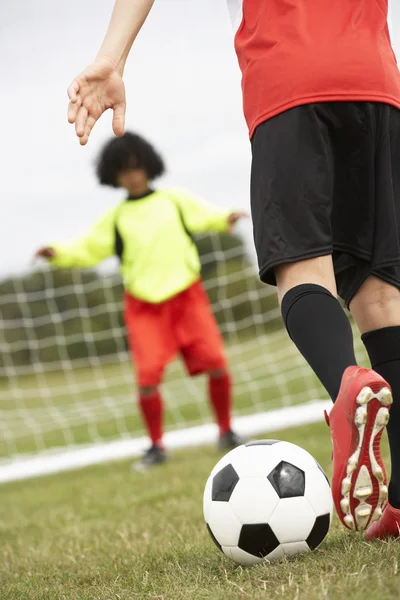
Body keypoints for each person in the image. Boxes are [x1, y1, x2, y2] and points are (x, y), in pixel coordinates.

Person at [64, 0, 400, 538]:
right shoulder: (122, 217)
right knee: (382, 295)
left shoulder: (170, 201)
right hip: (377, 80)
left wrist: (111, 57)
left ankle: (346, 386)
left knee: (304, 270)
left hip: (289, 79)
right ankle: (399, 503)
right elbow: (93, 244)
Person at [36, 131, 247, 470]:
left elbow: (207, 215)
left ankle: (225, 431)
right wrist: (58, 253)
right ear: (114, 175)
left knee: (216, 362)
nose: (132, 174)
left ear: (148, 166)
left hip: (187, 297)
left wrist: (227, 218)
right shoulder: (117, 218)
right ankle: (156, 445)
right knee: (147, 377)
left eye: (136, 166)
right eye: (124, 169)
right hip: (144, 305)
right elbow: (87, 248)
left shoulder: (174, 201)